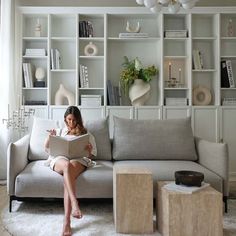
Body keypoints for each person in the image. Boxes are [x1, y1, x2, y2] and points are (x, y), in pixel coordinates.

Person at [44, 106, 97, 236]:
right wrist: (50, 138)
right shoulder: (59, 131)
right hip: (60, 159)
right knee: (66, 165)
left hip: (78, 159)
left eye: (74, 120)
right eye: (69, 120)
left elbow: (92, 155)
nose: (71, 123)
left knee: (69, 173)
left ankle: (66, 222)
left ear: (78, 120)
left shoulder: (86, 134)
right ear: (65, 119)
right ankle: (74, 203)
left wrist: (89, 151)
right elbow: (46, 149)